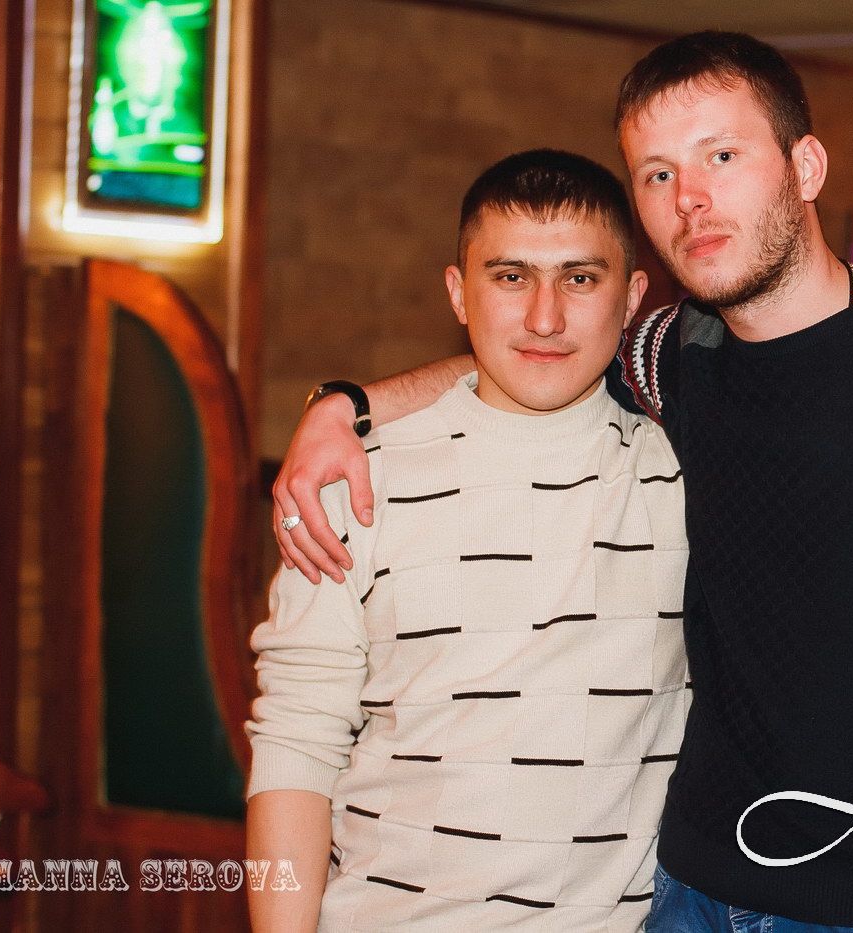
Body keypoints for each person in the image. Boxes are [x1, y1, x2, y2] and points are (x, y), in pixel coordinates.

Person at [270, 33, 853, 933]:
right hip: (687, 893)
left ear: (806, 166)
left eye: (721, 155)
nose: (690, 199)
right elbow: (533, 351)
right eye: (658, 173)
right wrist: (346, 405)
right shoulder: (673, 357)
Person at [246, 150, 689, 931]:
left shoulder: (690, 482)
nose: (544, 317)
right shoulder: (352, 480)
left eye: (580, 278)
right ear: (458, 291)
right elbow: (295, 741)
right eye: (510, 277)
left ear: (631, 299)